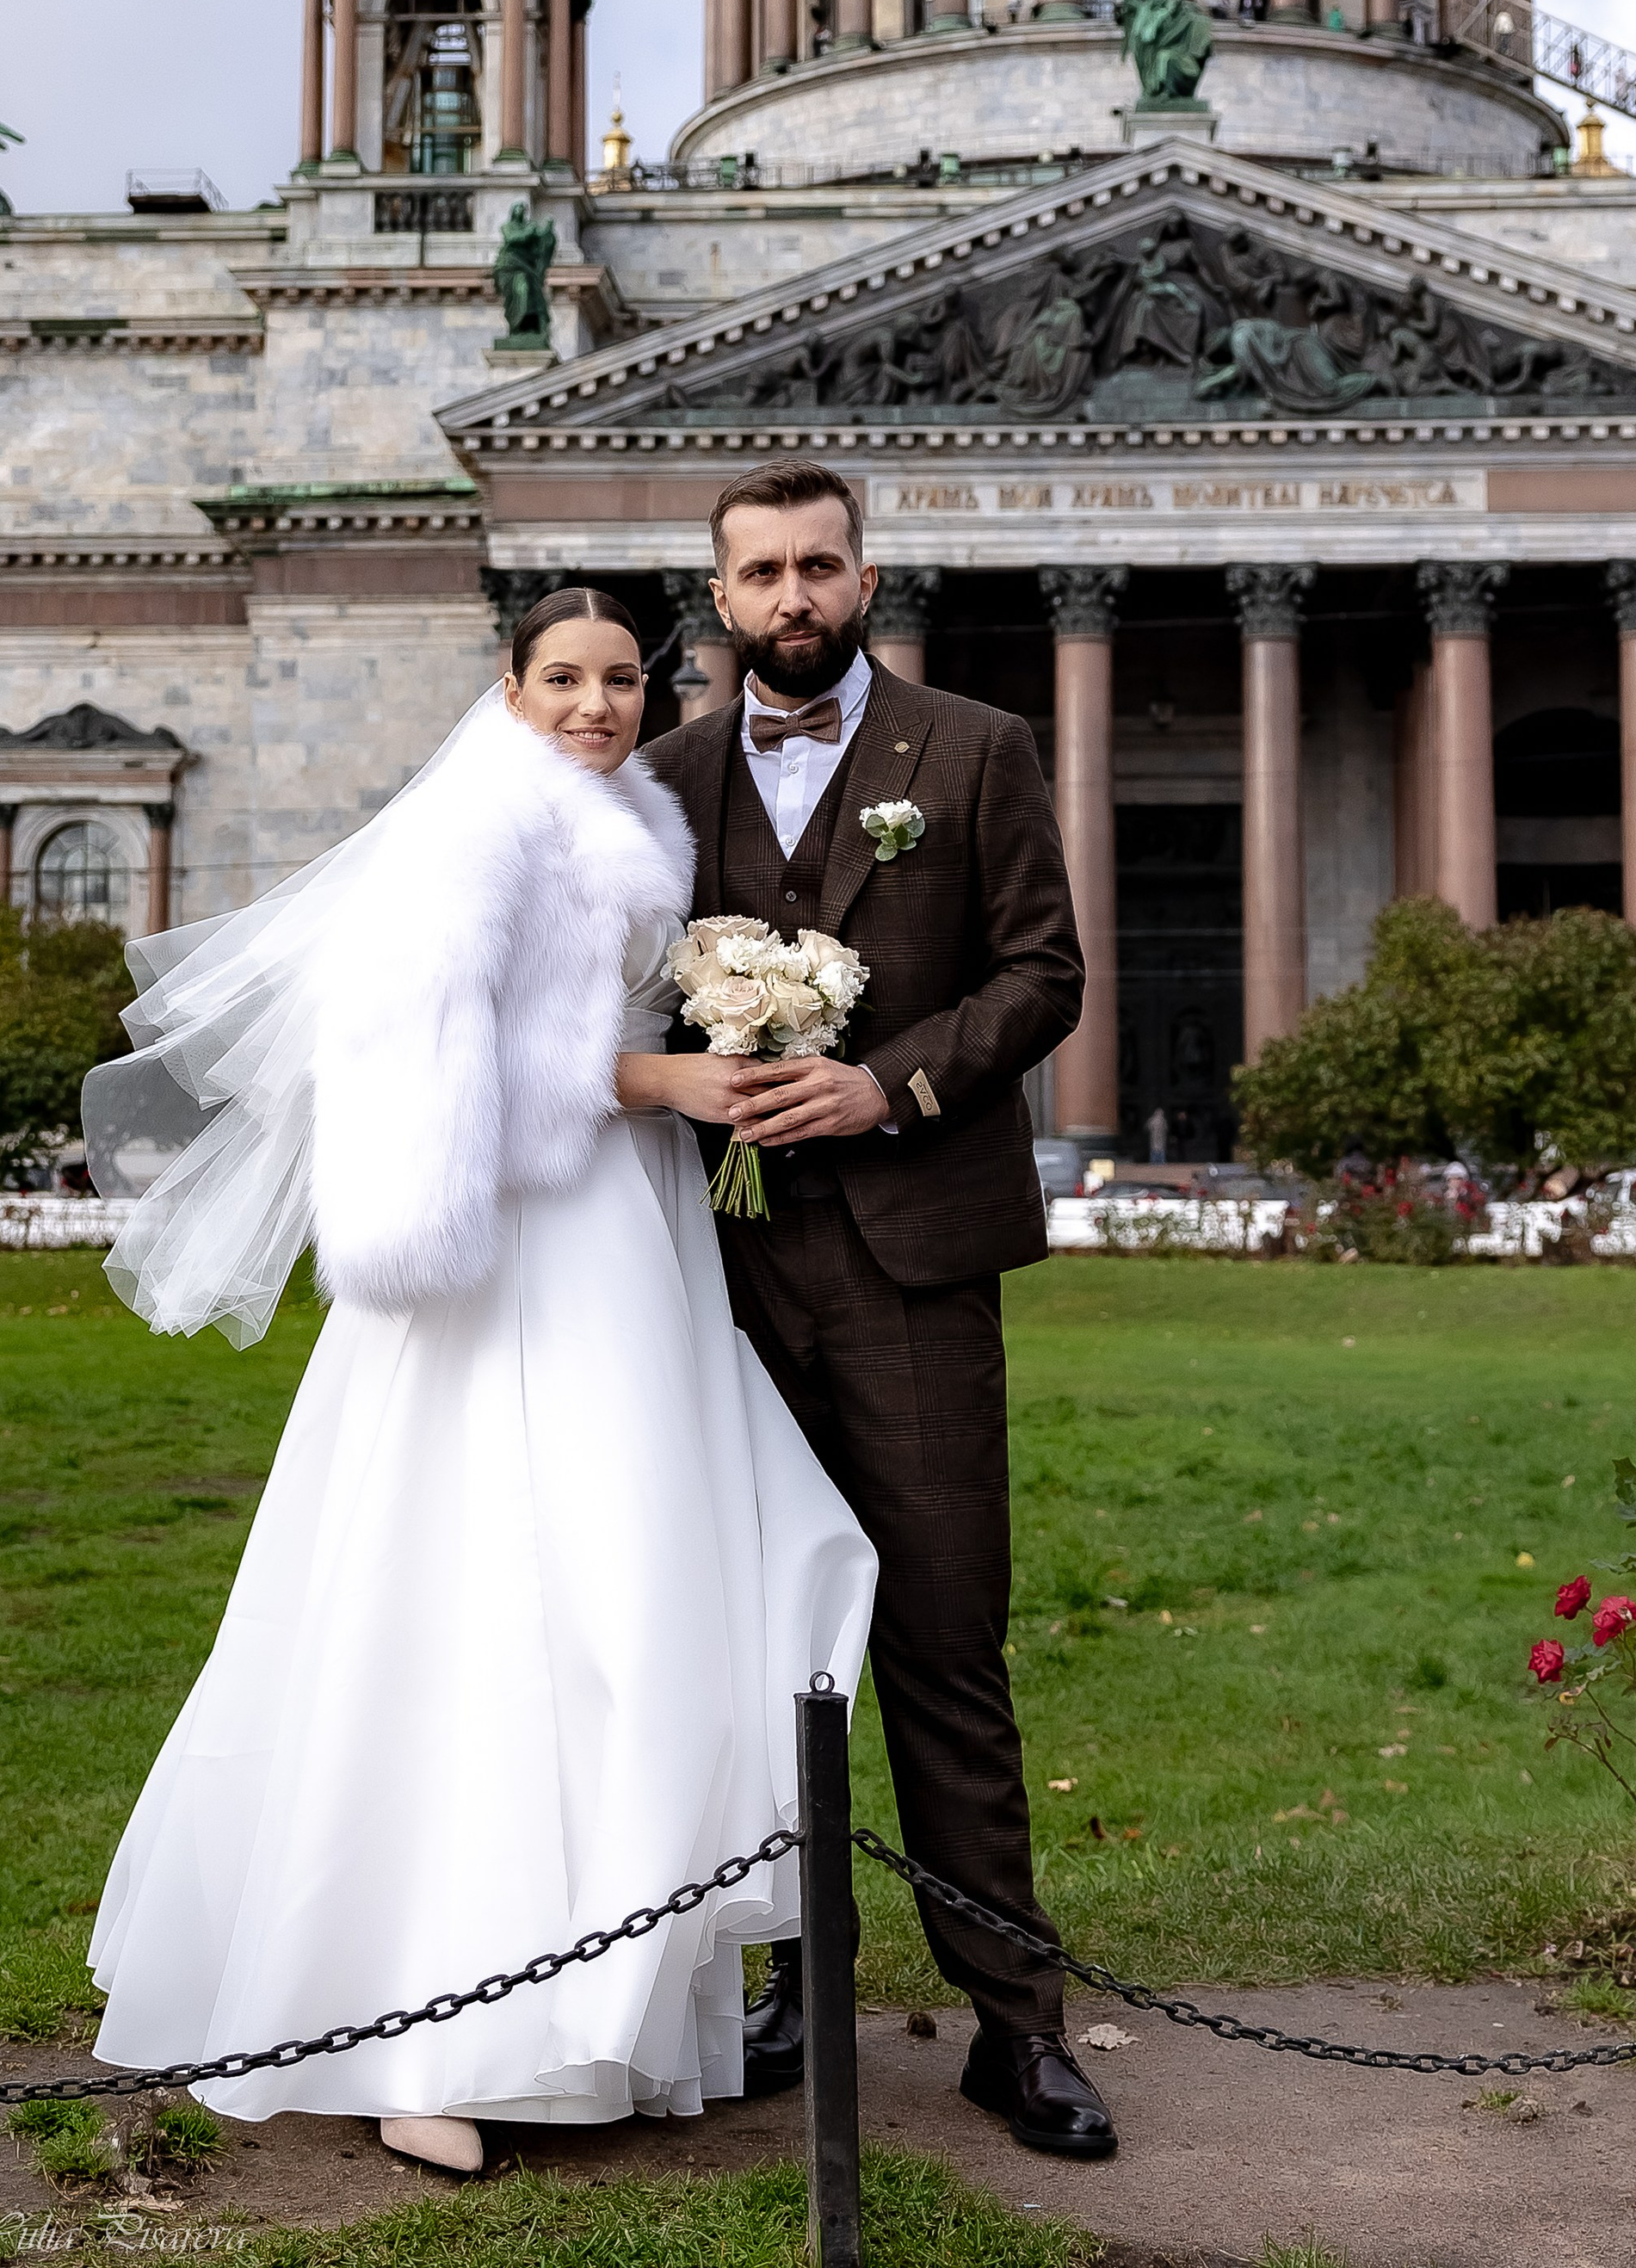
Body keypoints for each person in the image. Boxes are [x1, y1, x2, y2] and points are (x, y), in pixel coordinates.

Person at [80, 591, 875, 2178]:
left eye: (620, 679)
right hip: (517, 1249)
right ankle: (420, 2027)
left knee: (633, 1590)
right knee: (494, 1600)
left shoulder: (620, 813)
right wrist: (669, 1073)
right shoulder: (481, 831)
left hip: (624, 1235)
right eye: (563, 679)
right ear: (506, 687)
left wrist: (708, 1038)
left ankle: (604, 2009)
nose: (594, 704)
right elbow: (456, 1061)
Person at [640, 460, 1117, 2162]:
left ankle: (1017, 2026)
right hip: (713, 1273)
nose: (792, 596)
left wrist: (885, 1088)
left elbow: (1042, 973)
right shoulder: (659, 778)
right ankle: (779, 1985)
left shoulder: (974, 749)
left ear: (863, 578)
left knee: (938, 1636)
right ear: (717, 599)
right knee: (749, 1641)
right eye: (760, 571)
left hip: (912, 1262)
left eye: (818, 567)